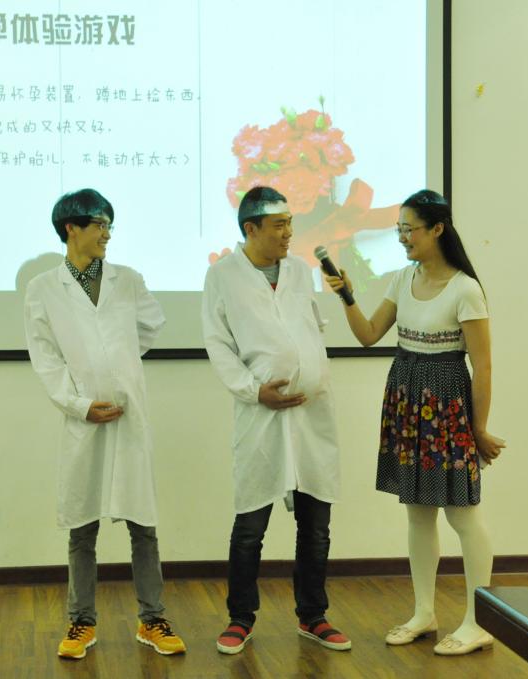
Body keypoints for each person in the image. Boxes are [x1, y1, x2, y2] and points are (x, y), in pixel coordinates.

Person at [324, 189, 505, 656]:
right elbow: (368, 335)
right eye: (399, 230)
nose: (403, 238)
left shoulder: (465, 289)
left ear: (437, 229)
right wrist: (346, 296)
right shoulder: (402, 278)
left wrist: (478, 429)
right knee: (418, 511)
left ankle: (479, 621)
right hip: (407, 402)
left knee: (462, 513)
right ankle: (424, 612)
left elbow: (483, 366)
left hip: (447, 407)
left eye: (410, 230)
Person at [24, 188, 187, 660]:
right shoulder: (42, 288)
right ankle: (81, 621)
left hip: (129, 415)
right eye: (99, 224)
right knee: (82, 526)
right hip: (84, 420)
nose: (107, 234)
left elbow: (150, 326)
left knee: (143, 524)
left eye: (109, 225)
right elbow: (45, 357)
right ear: (71, 228)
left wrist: (117, 365)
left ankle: (152, 618)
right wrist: (79, 403)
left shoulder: (127, 279)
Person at [202, 186, 351, 655]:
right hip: (261, 415)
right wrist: (253, 391)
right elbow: (218, 344)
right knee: (251, 527)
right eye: (279, 225)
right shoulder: (222, 275)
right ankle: (240, 618)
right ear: (251, 228)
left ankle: (313, 615)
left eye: (290, 223)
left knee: (316, 525)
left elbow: (310, 330)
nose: (289, 233)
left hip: (311, 415)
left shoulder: (300, 271)